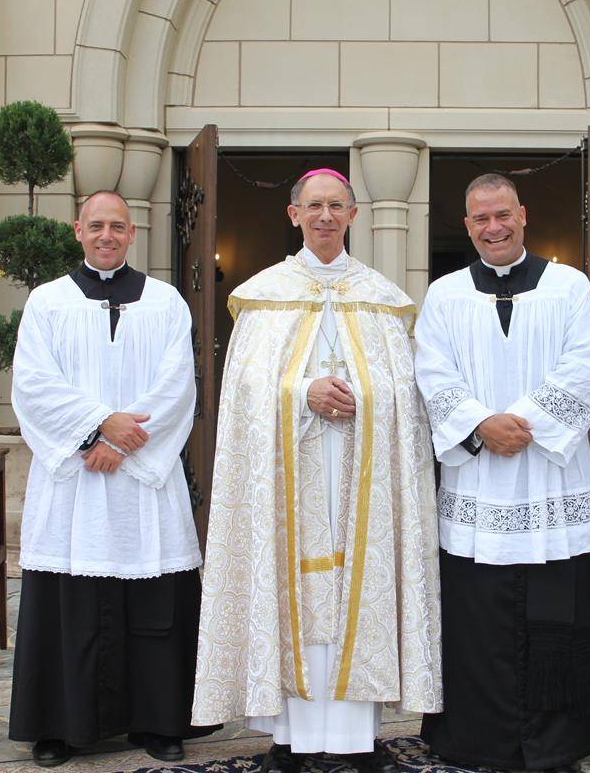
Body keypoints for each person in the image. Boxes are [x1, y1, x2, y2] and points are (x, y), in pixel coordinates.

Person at [191, 169, 442, 773]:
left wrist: (365, 396)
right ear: (294, 213)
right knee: (291, 585)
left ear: (352, 215)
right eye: (314, 207)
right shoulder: (264, 296)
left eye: (336, 206)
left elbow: (408, 393)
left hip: (362, 473)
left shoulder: (381, 298)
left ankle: (358, 738)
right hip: (290, 472)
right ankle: (288, 737)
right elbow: (245, 389)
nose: (325, 216)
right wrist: (302, 391)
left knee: (360, 586)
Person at [414, 173, 590, 771]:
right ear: (467, 225)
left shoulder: (569, 287)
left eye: (502, 214)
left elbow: (586, 367)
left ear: (523, 215)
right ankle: (478, 738)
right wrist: (480, 424)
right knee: (478, 617)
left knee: (558, 618)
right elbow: (432, 372)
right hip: (479, 484)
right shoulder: (446, 295)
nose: (493, 227)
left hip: (548, 485)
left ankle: (558, 743)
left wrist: (520, 422)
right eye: (480, 219)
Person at [9, 190, 212, 767]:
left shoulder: (166, 301)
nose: (106, 236)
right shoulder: (48, 303)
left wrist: (124, 446)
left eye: (117, 227)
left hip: (143, 480)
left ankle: (160, 720)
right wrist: (96, 429)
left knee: (154, 603)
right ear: (78, 230)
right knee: (67, 604)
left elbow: (179, 385)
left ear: (131, 233)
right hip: (74, 480)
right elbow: (32, 385)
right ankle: (58, 728)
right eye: (96, 225)